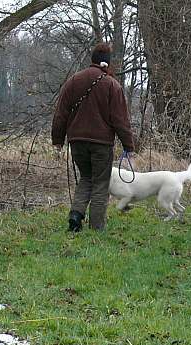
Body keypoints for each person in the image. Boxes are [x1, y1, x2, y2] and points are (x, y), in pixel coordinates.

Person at [52, 43, 135, 232]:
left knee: (86, 178)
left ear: (93, 59)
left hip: (77, 142)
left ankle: (76, 214)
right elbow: (120, 120)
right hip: (101, 144)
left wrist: (58, 140)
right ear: (108, 61)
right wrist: (129, 146)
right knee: (100, 183)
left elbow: (60, 114)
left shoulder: (73, 81)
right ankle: (97, 228)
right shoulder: (111, 84)